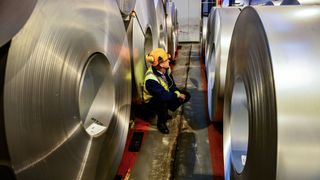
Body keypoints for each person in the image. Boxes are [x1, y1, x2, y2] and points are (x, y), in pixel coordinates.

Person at [143, 48, 190, 134]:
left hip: (164, 94)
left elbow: (172, 85)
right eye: (166, 59)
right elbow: (164, 96)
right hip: (151, 101)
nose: (169, 60)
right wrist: (178, 95)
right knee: (163, 102)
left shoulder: (166, 70)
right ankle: (161, 123)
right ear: (161, 64)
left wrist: (178, 93)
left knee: (186, 95)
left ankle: (166, 111)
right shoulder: (151, 80)